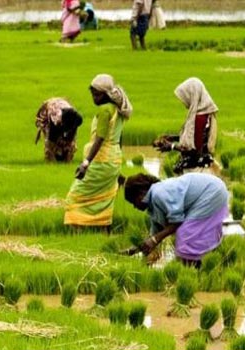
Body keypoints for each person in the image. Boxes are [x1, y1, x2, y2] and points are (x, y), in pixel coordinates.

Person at [64, 74, 132, 229]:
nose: (94, 98)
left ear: (106, 94)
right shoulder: (119, 111)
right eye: (92, 94)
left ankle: (77, 233)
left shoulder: (105, 111)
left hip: (101, 160)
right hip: (113, 159)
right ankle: (103, 231)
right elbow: (118, 139)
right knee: (104, 197)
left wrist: (86, 163)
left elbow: (100, 139)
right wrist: (116, 165)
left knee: (75, 197)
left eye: (97, 94)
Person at [122, 172, 229, 266]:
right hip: (212, 190)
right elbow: (154, 235)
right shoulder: (153, 207)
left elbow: (177, 222)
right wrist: (136, 249)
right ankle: (202, 266)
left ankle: (191, 271)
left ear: (141, 194)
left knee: (185, 235)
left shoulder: (158, 194)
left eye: (134, 202)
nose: (135, 207)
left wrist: (155, 240)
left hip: (211, 191)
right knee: (190, 237)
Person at [153, 78, 219, 174]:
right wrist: (174, 137)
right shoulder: (206, 113)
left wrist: (171, 146)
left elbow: (195, 151)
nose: (184, 102)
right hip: (202, 168)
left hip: (197, 172)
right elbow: (196, 138)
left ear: (193, 95)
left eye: (186, 97)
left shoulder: (199, 118)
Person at [36, 98, 83, 162]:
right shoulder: (55, 119)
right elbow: (50, 140)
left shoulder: (76, 118)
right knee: (52, 141)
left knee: (69, 139)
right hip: (50, 112)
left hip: (64, 113)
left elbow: (71, 137)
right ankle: (52, 157)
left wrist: (69, 158)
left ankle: (65, 155)